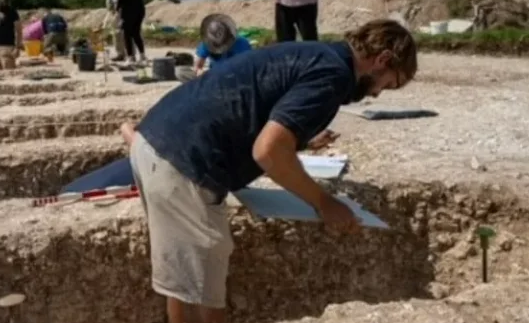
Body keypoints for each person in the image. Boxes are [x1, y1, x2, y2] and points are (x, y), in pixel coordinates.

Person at [129, 19, 417, 323]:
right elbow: (268, 152)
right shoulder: (334, 75)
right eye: (389, 83)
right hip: (184, 161)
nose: (378, 95)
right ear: (383, 60)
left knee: (185, 282)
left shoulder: (319, 54)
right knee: (200, 290)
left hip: (156, 140)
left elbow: (262, 107)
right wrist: (325, 203)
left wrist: (300, 139)